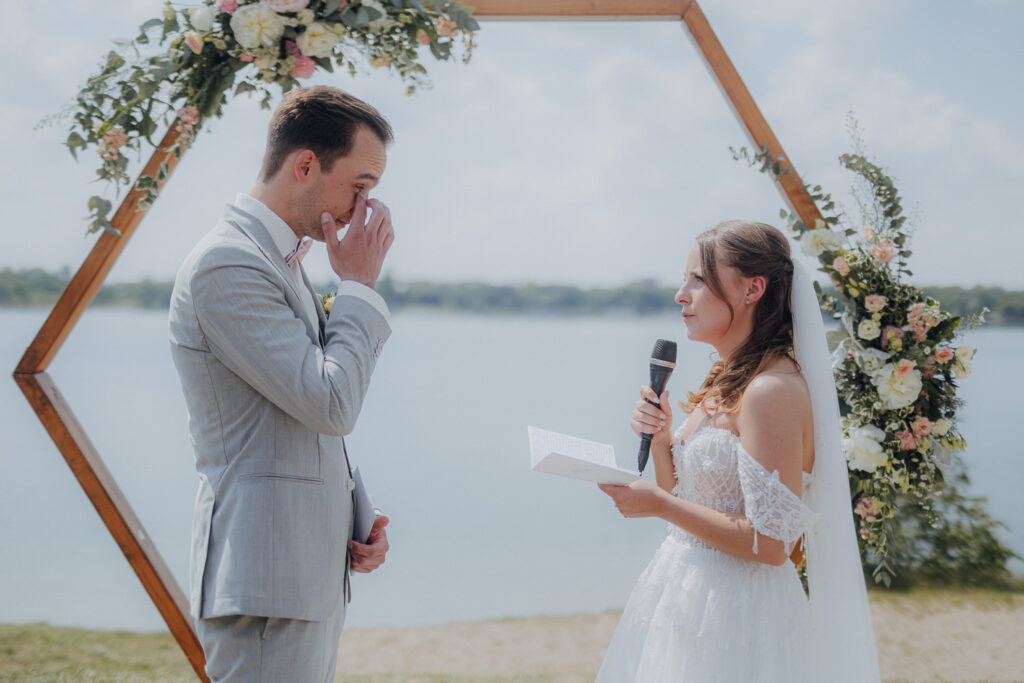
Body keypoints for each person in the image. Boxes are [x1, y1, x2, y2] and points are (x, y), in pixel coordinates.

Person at [168, 86, 395, 681]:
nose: (364, 207)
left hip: (301, 576)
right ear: (305, 165)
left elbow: (291, 415)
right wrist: (361, 289)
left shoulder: (281, 261)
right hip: (267, 583)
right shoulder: (229, 262)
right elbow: (330, 403)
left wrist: (352, 511)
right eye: (360, 185)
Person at [596, 220, 880, 681]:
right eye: (685, 279)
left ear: (753, 289)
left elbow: (773, 546)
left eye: (699, 279)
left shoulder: (772, 390)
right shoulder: (728, 378)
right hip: (687, 596)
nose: (681, 295)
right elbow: (693, 499)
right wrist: (665, 440)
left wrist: (659, 505)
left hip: (740, 613)